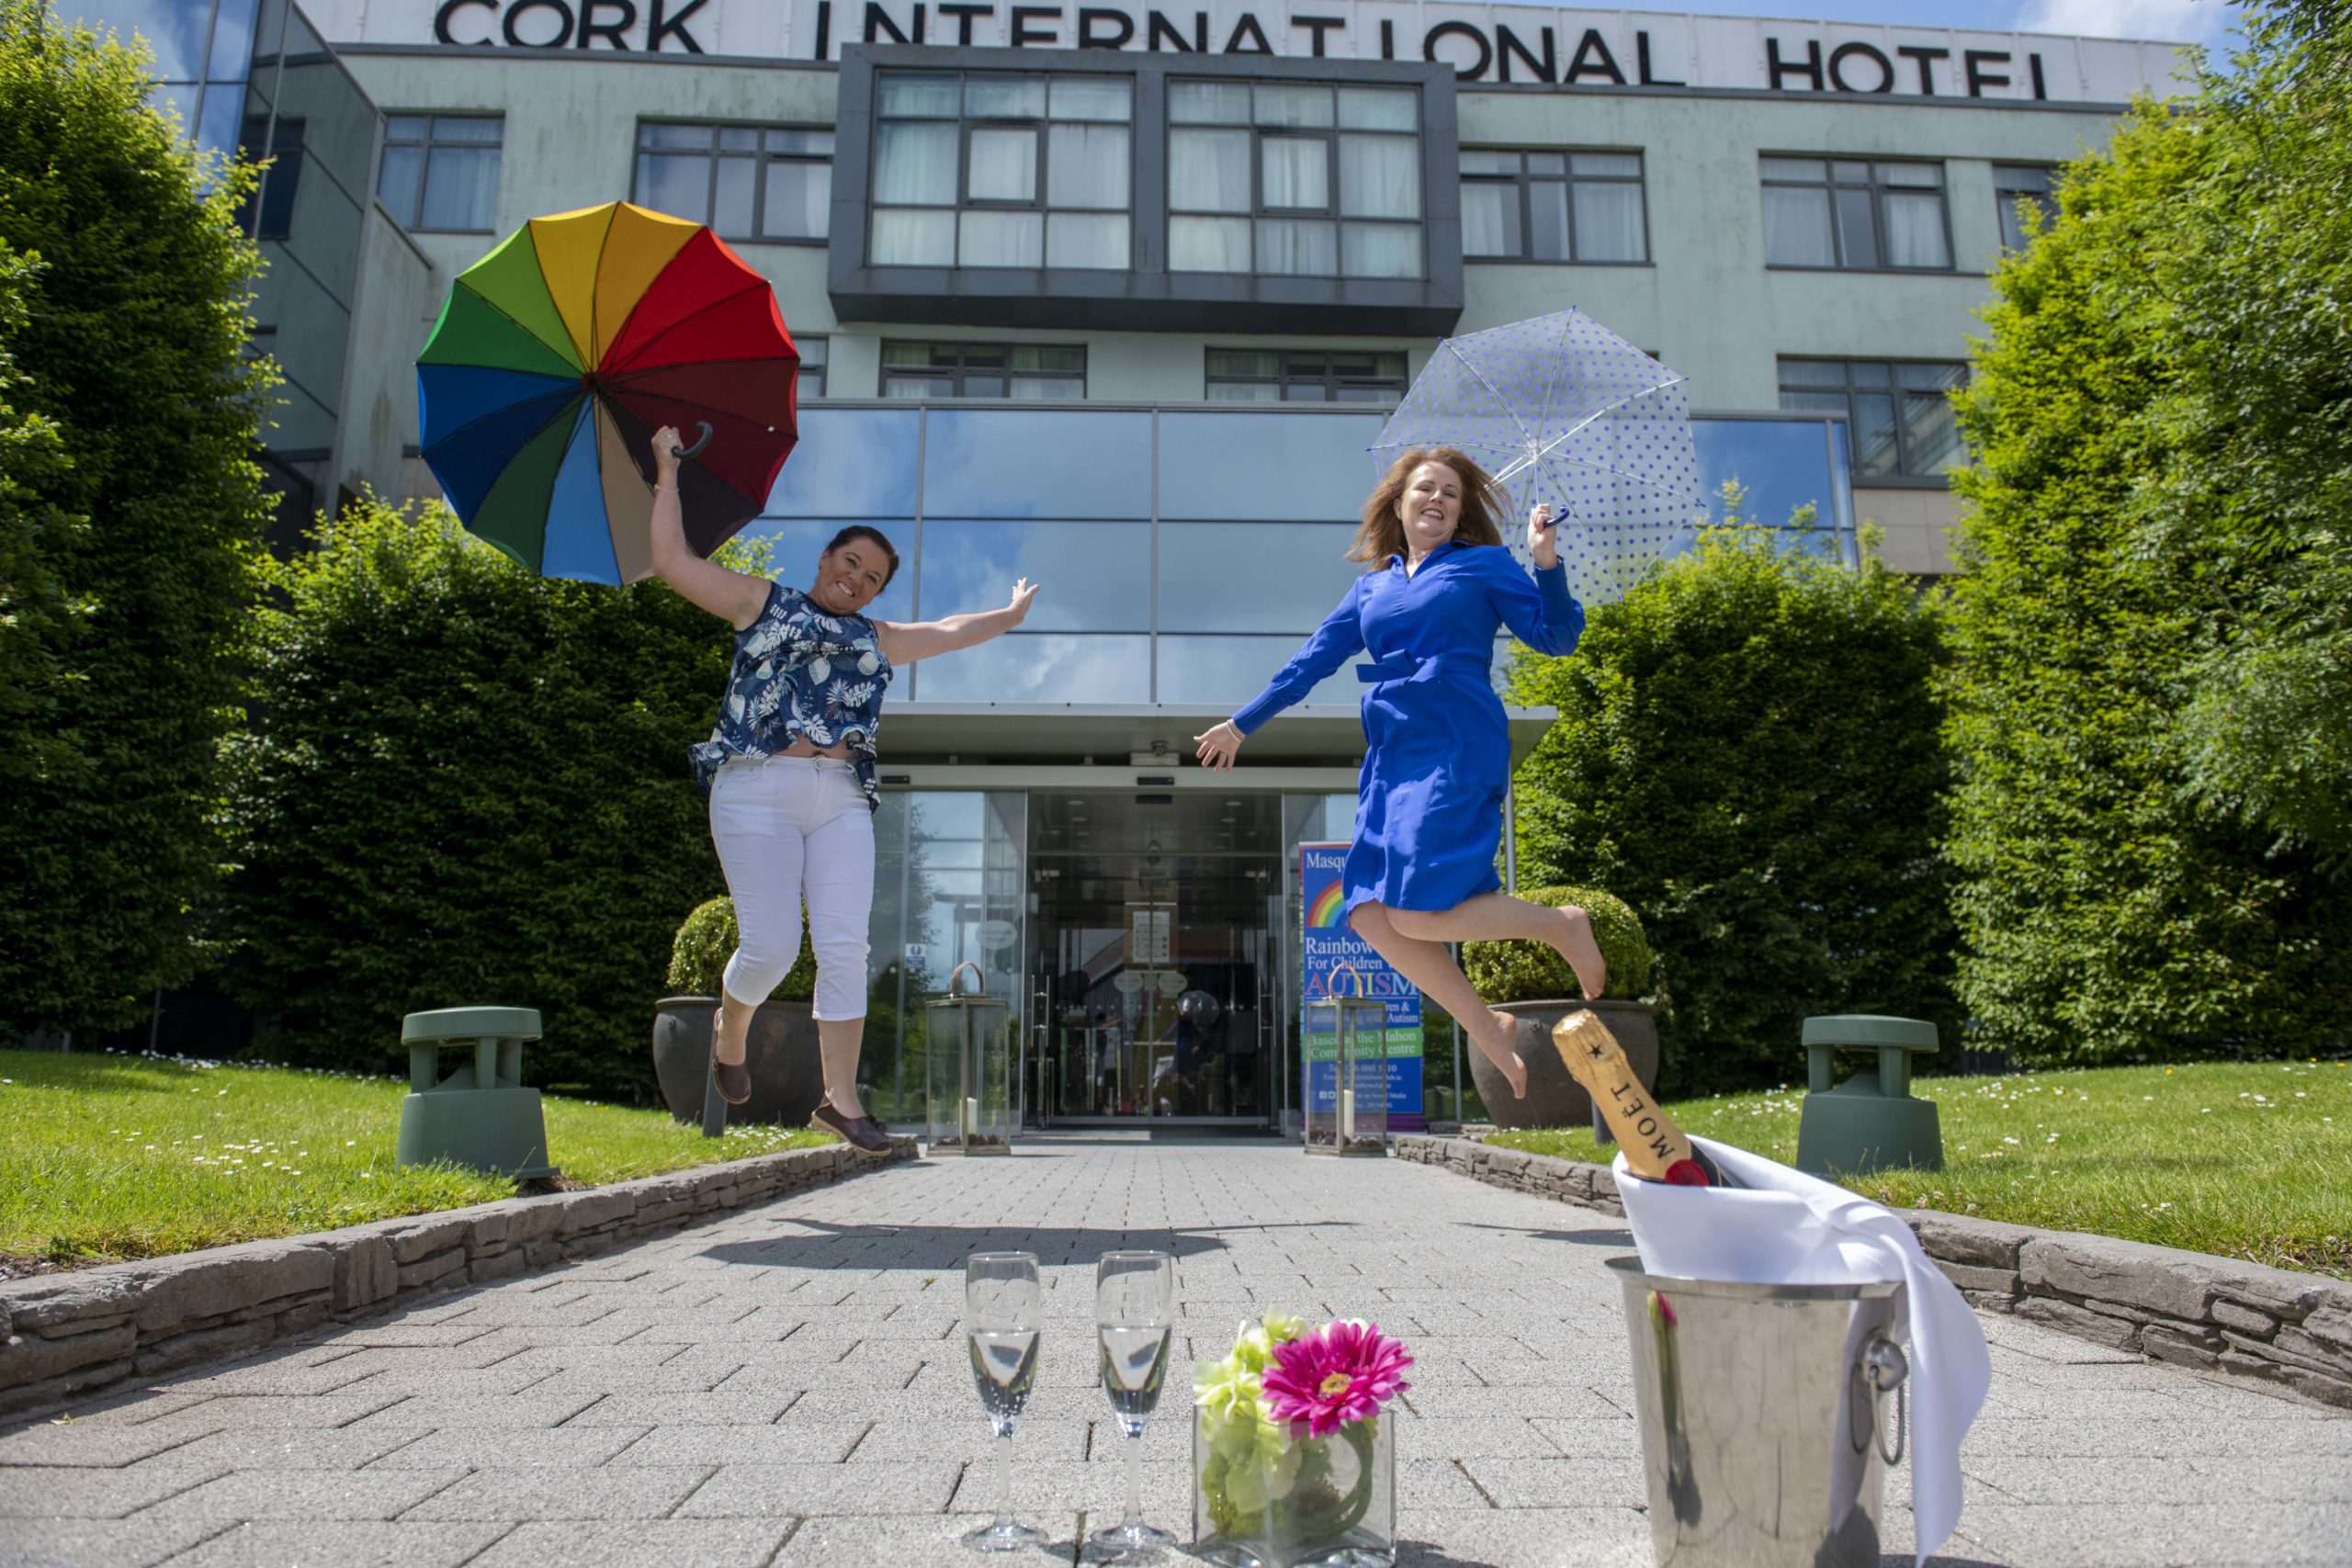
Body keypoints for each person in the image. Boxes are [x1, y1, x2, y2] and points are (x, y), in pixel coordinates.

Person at [647, 424, 1039, 1153]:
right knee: (770, 948)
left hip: (841, 797)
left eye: (873, 577)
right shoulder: (762, 603)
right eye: (850, 561)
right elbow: (672, 561)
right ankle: (731, 1032)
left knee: (845, 946)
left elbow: (949, 629)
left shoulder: (874, 638)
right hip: (755, 788)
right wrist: (667, 473)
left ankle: (841, 1100)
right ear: (825, 558)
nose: (857, 579)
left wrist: (1009, 617)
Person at [1194, 447, 1604, 1100]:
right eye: (1425, 488)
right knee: (1366, 913)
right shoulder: (1371, 588)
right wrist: (1242, 724)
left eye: (1451, 492)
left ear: (1460, 513)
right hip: (1392, 752)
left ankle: (1561, 925)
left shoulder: (1484, 564)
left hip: (1457, 739)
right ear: (1399, 502)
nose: (1437, 498)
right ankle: (1489, 1028)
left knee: (1414, 911)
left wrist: (1545, 562)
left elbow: (1556, 637)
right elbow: (1310, 662)